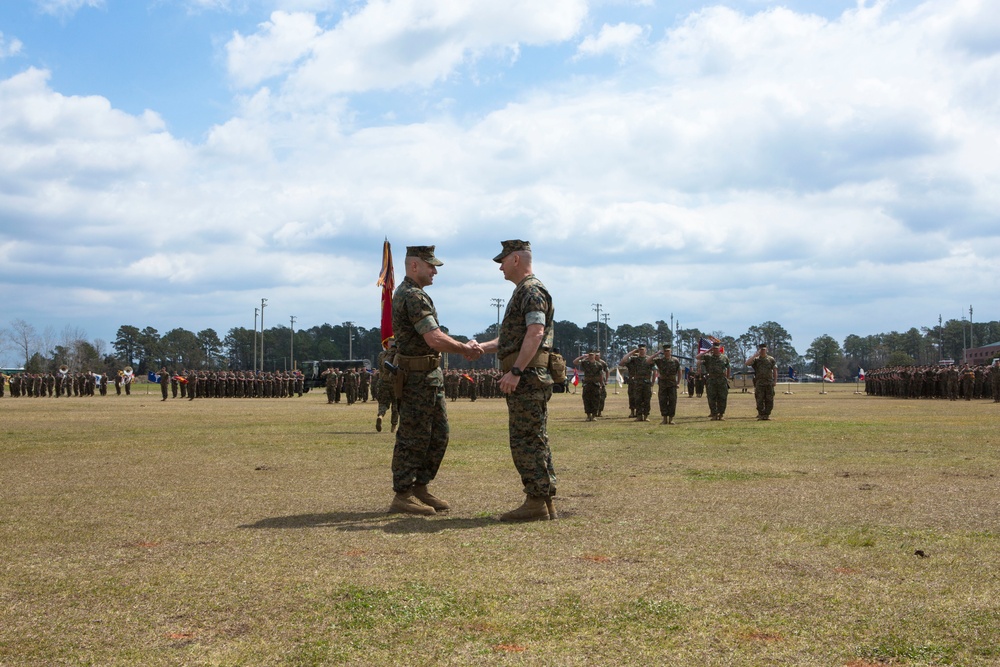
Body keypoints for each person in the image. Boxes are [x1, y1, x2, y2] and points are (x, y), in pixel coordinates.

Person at [389, 245, 481, 516]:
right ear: (414, 265)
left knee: (438, 434)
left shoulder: (415, 294)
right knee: (413, 436)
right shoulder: (412, 295)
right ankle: (402, 494)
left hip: (428, 376)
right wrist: (465, 348)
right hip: (417, 378)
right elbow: (434, 338)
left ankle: (420, 486)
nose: (435, 271)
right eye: (431, 266)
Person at [479, 240, 557, 522]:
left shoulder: (531, 290)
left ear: (515, 259)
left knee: (527, 439)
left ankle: (536, 500)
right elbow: (513, 339)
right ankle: (542, 499)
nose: (499, 266)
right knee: (532, 437)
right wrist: (480, 347)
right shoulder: (524, 291)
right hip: (526, 376)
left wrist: (516, 371)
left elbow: (535, 333)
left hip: (527, 378)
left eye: (502, 260)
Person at [698, 340, 731, 420]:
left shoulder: (724, 357)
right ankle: (714, 414)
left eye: (717, 348)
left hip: (722, 379)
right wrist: (708, 350)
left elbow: (728, 367)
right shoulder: (708, 357)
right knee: (711, 398)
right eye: (714, 348)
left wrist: (728, 377)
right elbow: (698, 357)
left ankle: (721, 414)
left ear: (719, 348)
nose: (715, 350)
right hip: (711, 380)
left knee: (722, 397)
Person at [621, 344, 654, 421]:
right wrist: (632, 352)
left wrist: (652, 381)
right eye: (640, 350)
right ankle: (639, 416)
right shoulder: (634, 359)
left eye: (643, 349)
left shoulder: (649, 359)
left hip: (646, 382)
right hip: (637, 382)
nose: (641, 351)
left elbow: (655, 369)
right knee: (637, 399)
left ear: (645, 350)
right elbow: (624, 360)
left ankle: (646, 416)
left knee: (647, 399)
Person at [651, 344, 682, 424]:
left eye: (668, 351)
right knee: (662, 400)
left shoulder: (675, 360)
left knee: (673, 400)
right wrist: (657, 354)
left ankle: (671, 419)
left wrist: (678, 382)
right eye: (665, 351)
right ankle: (664, 418)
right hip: (663, 383)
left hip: (672, 383)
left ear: (671, 351)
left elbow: (679, 371)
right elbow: (648, 361)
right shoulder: (660, 360)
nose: (666, 352)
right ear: (663, 352)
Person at [573, 349, 606, 421]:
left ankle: (594, 415)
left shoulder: (599, 365)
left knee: (596, 400)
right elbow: (575, 362)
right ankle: (588, 415)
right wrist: (582, 356)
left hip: (595, 384)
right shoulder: (585, 363)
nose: (591, 356)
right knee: (586, 399)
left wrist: (601, 384)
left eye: (592, 355)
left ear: (594, 356)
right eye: (589, 355)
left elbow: (601, 375)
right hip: (587, 384)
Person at [747, 343, 778, 420]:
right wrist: (755, 355)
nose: (763, 351)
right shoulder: (756, 360)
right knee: (759, 399)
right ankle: (761, 414)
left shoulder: (771, 359)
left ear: (766, 350)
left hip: (769, 382)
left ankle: (766, 415)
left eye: (764, 350)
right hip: (759, 383)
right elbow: (747, 363)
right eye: (761, 350)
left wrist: (775, 381)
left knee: (769, 399)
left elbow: (774, 370)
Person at [375, 337, 399, 433]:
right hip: (395, 383)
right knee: (395, 405)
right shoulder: (399, 354)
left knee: (383, 403)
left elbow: (380, 368)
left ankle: (381, 415)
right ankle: (393, 426)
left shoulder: (382, 355)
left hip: (383, 382)